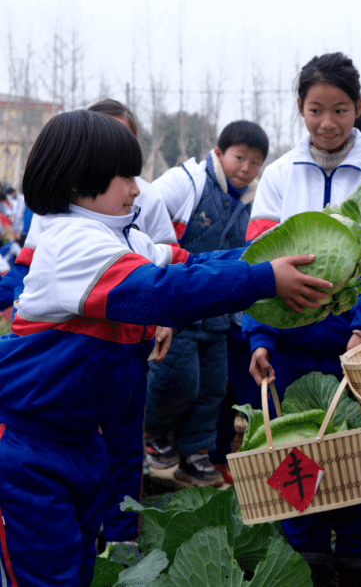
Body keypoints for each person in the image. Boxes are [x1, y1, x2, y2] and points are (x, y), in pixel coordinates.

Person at [0, 109, 331, 586]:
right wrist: (262, 279)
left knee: (77, 569)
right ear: (77, 181)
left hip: (81, 440)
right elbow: (162, 292)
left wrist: (270, 255)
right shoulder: (70, 243)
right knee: (44, 576)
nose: (137, 189)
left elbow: (192, 264)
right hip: (32, 450)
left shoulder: (122, 236)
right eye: (124, 177)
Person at [242, 52, 361, 587]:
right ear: (300, 108)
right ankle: (305, 557)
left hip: (351, 345)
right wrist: (260, 337)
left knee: (353, 452)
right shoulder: (278, 175)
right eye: (316, 110)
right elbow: (258, 266)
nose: (328, 122)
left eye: (340, 109)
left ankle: (360, 557)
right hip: (289, 343)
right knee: (294, 455)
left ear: (357, 107)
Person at [145, 119, 268, 487]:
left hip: (218, 314)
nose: (246, 168)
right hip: (178, 308)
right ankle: (151, 431)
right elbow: (143, 214)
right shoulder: (188, 182)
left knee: (213, 389)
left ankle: (195, 455)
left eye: (255, 162)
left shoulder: (253, 203)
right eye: (239, 157)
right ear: (218, 153)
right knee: (177, 380)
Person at [86, 99, 179, 549]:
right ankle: (90, 535)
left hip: (132, 343)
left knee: (125, 444)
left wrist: (165, 319)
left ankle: (121, 544)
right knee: (86, 442)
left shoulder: (147, 196)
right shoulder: (64, 204)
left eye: (122, 138)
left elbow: (166, 262)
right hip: (86, 348)